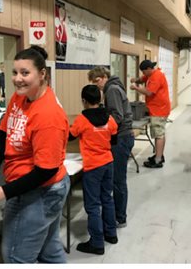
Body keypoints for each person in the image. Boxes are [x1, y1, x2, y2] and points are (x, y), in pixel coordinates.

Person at [0, 45, 70, 263]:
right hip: (32, 186)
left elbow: (46, 169)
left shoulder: (48, 115)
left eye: (25, 73)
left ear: (42, 74)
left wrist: (4, 192)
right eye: (15, 72)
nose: (17, 79)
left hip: (40, 191)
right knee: (49, 251)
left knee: (16, 257)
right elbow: (4, 131)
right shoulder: (19, 98)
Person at [69, 84, 118, 255]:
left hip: (92, 166)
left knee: (93, 205)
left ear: (84, 101)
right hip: (108, 163)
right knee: (107, 199)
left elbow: (70, 136)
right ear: (100, 99)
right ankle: (111, 234)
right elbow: (114, 139)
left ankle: (97, 243)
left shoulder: (82, 120)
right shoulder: (109, 118)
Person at [88, 66, 135, 228]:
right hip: (124, 136)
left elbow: (117, 116)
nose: (97, 85)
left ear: (104, 77)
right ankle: (117, 214)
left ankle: (120, 217)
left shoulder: (112, 90)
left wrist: (99, 124)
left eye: (97, 81)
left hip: (121, 137)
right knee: (117, 179)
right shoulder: (114, 87)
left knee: (118, 180)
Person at [130, 60, 170, 168]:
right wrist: (135, 80)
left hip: (159, 110)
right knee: (159, 133)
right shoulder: (151, 74)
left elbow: (149, 92)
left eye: (144, 72)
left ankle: (158, 160)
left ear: (148, 69)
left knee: (158, 134)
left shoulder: (156, 77)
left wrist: (136, 88)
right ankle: (159, 155)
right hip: (157, 109)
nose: (143, 74)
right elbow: (143, 79)